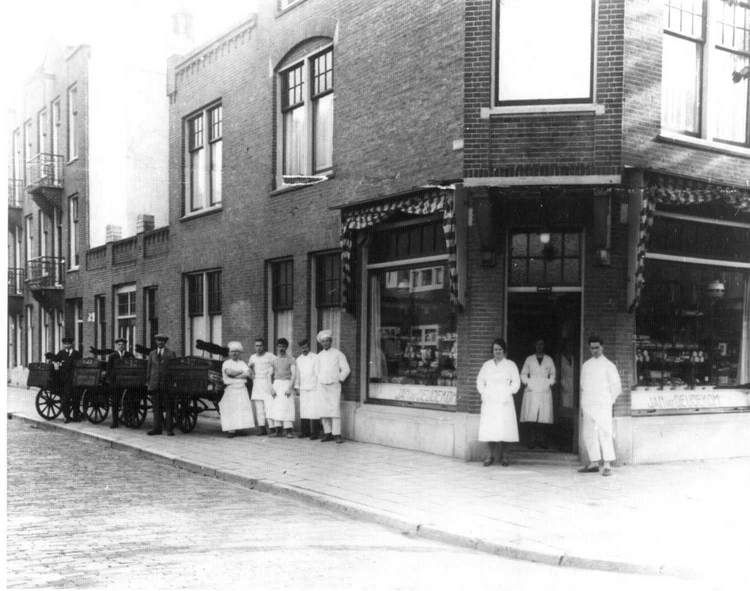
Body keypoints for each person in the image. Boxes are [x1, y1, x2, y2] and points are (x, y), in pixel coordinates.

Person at [578, 335, 622, 477]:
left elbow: (616, 387)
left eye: (597, 347)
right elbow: (583, 385)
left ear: (602, 347)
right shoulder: (586, 365)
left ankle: (607, 464)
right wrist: (584, 405)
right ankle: (594, 462)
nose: (595, 350)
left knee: (605, 433)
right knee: (589, 434)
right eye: (592, 348)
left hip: (603, 405)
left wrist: (608, 401)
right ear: (589, 348)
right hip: (589, 404)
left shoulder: (609, 366)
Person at [476, 338, 521, 467]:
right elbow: (480, 381)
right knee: (490, 428)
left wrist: (508, 392)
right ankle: (490, 456)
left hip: (504, 401)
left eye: (500, 349)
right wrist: (484, 393)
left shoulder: (510, 365)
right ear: (492, 351)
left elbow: (516, 383)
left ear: (504, 351)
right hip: (490, 401)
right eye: (495, 349)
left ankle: (505, 456)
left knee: (505, 428)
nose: (498, 352)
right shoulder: (487, 365)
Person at [313, 330, 350, 443]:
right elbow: (316, 371)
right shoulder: (319, 356)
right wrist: (320, 379)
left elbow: (346, 369)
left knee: (335, 410)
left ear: (331, 341)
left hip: (334, 386)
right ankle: (327, 433)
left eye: (327, 341)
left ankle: (337, 434)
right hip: (322, 386)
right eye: (323, 342)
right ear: (321, 343)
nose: (325, 343)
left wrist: (339, 379)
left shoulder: (338, 353)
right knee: (323, 410)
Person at [519, 339, 556, 450]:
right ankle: (532, 441)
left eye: (541, 344)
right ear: (534, 345)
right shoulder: (529, 359)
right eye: (537, 344)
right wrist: (528, 383)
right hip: (532, 389)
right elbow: (523, 374)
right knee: (532, 416)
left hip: (544, 389)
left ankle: (542, 441)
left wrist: (549, 382)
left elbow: (553, 374)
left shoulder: (549, 360)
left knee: (543, 417)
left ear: (544, 346)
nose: (539, 346)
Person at [220, 342, 256, 438]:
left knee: (242, 409)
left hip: (241, 389)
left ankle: (240, 429)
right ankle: (231, 430)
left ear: (239, 353)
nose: (234, 353)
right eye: (232, 351)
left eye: (236, 351)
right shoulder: (226, 363)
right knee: (231, 409)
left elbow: (248, 374)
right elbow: (229, 372)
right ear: (229, 353)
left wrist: (236, 376)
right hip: (231, 389)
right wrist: (241, 372)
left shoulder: (242, 363)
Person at [146, 334, 177, 436]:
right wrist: (149, 383)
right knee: (156, 408)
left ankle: (169, 429)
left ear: (165, 342)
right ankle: (156, 429)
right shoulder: (152, 354)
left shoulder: (171, 353)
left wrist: (172, 384)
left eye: (162, 341)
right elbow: (149, 369)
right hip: (155, 385)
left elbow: (173, 370)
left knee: (168, 408)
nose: (160, 342)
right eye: (159, 340)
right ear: (156, 342)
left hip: (166, 385)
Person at [269, 338, 298, 438]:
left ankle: (289, 431)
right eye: (280, 346)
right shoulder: (273, 360)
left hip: (286, 383)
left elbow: (294, 374)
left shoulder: (291, 359)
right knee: (276, 407)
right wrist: (271, 388)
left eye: (283, 346)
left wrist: (290, 388)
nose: (281, 348)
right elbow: (269, 375)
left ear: (286, 347)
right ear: (277, 347)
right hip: (276, 384)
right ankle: (278, 431)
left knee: (287, 407)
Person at [248, 338, 275, 436]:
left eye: (260, 345)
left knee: (269, 407)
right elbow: (249, 368)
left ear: (264, 346)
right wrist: (252, 375)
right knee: (259, 408)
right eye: (257, 346)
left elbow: (276, 366)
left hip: (267, 383)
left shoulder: (270, 356)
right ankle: (262, 429)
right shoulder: (252, 357)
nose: (259, 348)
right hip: (257, 383)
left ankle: (272, 428)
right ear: (255, 347)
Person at [106, 337, 135, 429]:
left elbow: (133, 367)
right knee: (115, 402)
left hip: (127, 382)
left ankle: (128, 420)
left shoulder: (130, 355)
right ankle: (115, 422)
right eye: (119, 345)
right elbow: (109, 370)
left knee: (129, 402)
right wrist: (112, 380)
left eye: (123, 345)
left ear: (125, 346)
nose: (121, 346)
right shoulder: (112, 356)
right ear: (116, 346)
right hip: (116, 383)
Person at [295, 338, 321, 439]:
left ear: (309, 347)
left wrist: (318, 387)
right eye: (302, 348)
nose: (304, 349)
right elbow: (297, 375)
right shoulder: (298, 359)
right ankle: (305, 432)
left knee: (314, 410)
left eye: (306, 347)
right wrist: (297, 387)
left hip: (314, 387)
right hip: (303, 388)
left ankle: (315, 433)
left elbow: (318, 373)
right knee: (304, 409)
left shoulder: (315, 357)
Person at [53, 337, 83, 423]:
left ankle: (76, 415)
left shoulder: (77, 354)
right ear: (63, 345)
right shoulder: (61, 353)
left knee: (76, 398)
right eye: (65, 344)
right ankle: (66, 416)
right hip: (65, 380)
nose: (67, 345)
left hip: (75, 379)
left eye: (69, 344)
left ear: (72, 344)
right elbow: (55, 361)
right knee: (65, 398)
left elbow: (80, 364)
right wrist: (55, 364)